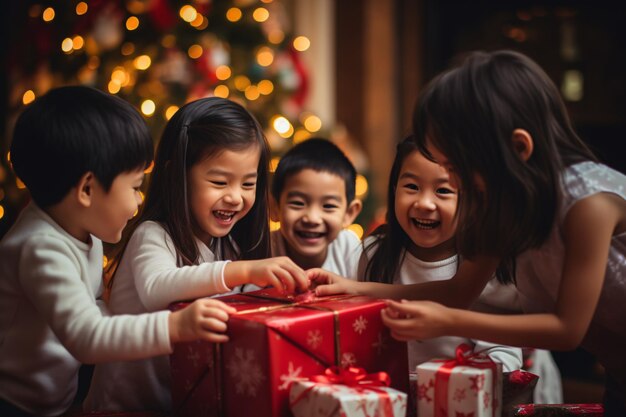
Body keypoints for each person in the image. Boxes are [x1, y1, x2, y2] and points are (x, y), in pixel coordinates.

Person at [311, 50, 626, 413]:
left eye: (456, 166)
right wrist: (358, 289)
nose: (454, 180)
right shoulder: (507, 204)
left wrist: (447, 322)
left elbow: (566, 330)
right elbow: (458, 291)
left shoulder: (588, 206)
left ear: (518, 148)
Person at [0, 86, 236, 417]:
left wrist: (131, 328)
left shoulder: (82, 232)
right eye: (135, 187)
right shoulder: (41, 249)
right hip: (14, 402)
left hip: (52, 399)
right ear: (87, 189)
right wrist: (173, 327)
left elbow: (96, 306)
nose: (139, 200)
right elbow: (88, 338)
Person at [85, 97, 308, 412]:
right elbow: (156, 288)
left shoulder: (228, 246)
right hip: (123, 406)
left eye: (249, 183)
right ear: (179, 176)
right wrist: (242, 271)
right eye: (219, 182)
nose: (235, 197)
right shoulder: (153, 234)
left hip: (183, 402)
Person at [357, 137, 560, 401]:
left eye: (443, 191)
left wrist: (462, 381)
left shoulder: (486, 264)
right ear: (394, 189)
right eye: (411, 186)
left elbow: (503, 352)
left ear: (473, 199)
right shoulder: (374, 252)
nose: (424, 203)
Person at [269, 138, 363, 276]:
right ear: (275, 208)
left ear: (348, 214)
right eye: (298, 203)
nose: (312, 218)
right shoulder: (262, 250)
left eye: (328, 206)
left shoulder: (349, 248)